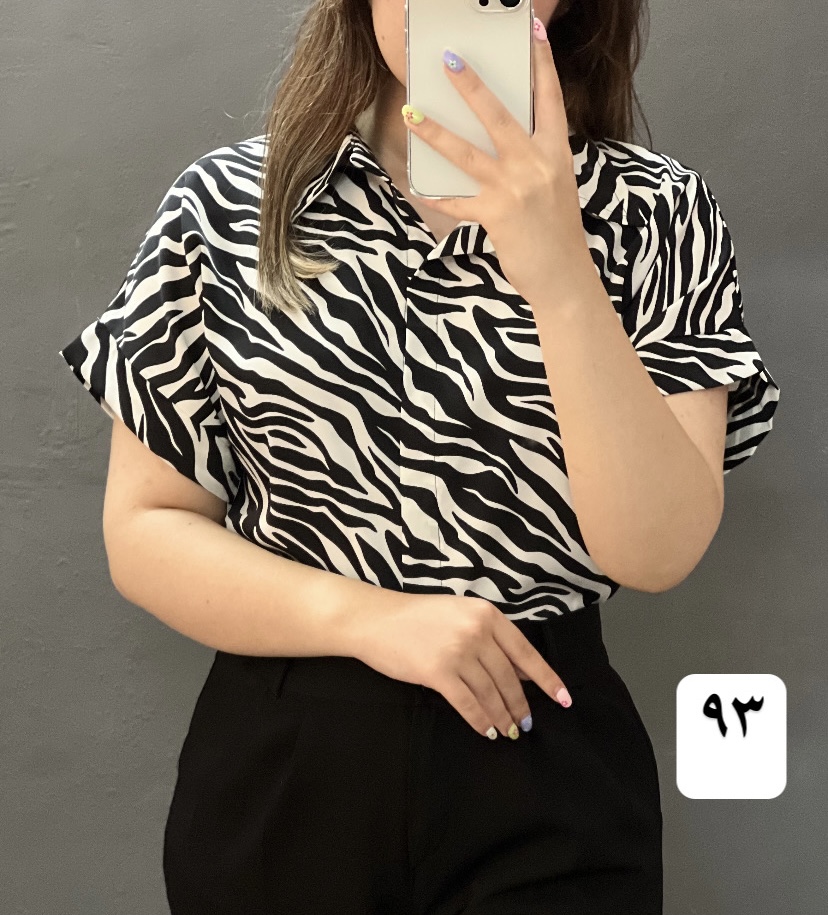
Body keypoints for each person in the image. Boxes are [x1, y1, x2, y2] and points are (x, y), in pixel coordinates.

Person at [58, 1, 781, 912]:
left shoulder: (658, 216)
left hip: (546, 757)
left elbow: (658, 550)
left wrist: (558, 261)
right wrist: (374, 620)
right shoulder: (229, 207)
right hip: (284, 764)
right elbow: (145, 529)